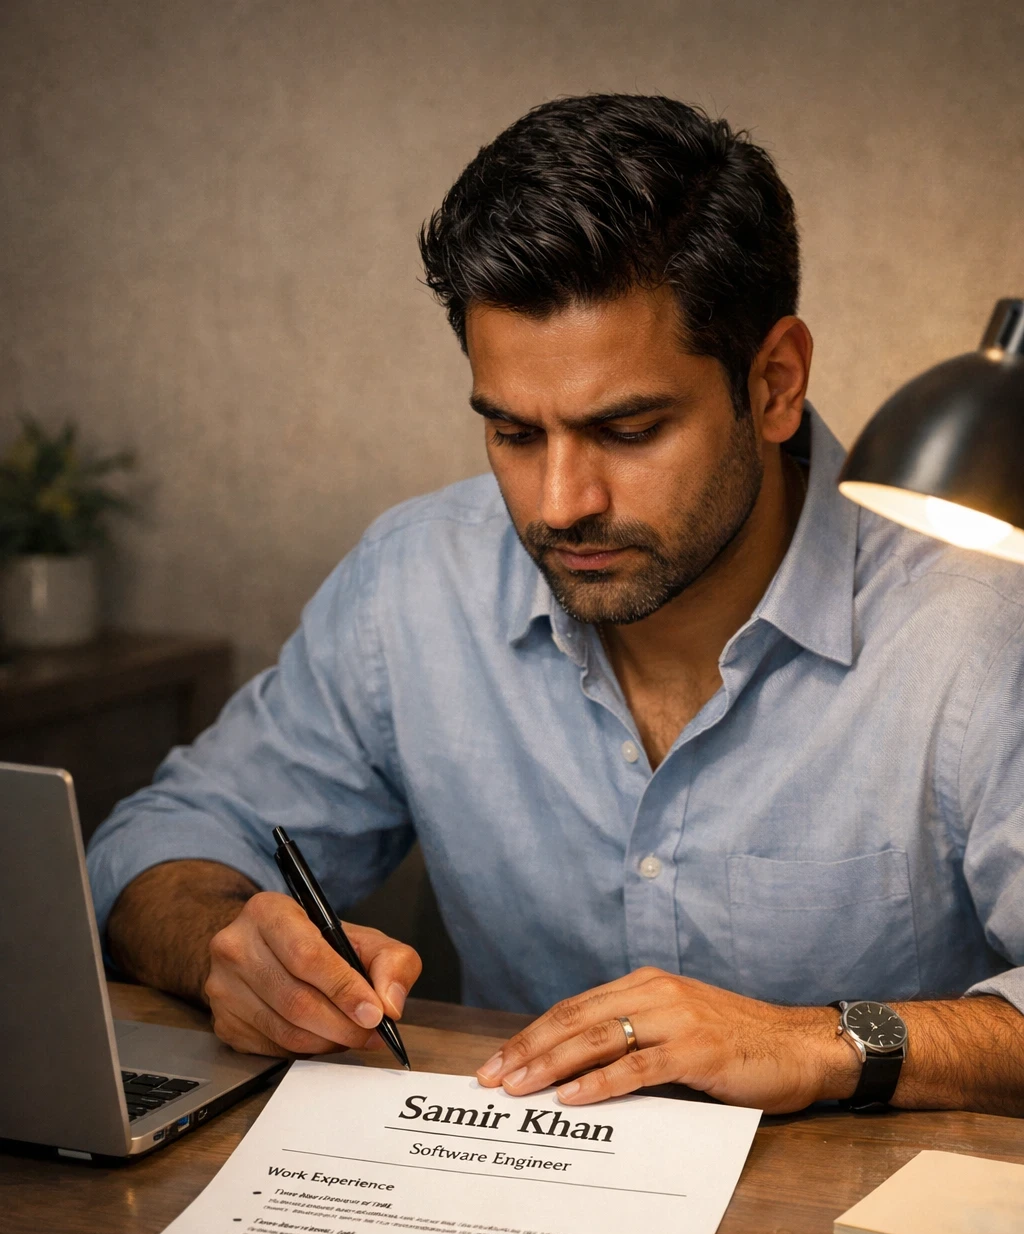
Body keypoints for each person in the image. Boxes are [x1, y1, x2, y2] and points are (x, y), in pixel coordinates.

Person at [92, 94, 1024, 1117]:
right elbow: (161, 840)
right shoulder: (418, 579)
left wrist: (824, 1041)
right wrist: (226, 946)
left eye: (627, 430)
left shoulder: (973, 621)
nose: (557, 505)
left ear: (773, 382)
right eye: (513, 434)